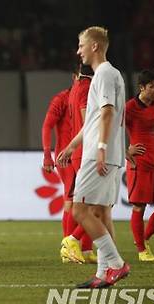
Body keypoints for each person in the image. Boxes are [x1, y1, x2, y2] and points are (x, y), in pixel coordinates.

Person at [58, 26, 130, 288]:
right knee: (100, 213)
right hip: (101, 151)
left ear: (95, 46)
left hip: (99, 154)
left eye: (81, 45)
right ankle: (103, 273)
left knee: (80, 210)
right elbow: (93, 121)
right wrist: (71, 146)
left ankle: (116, 264)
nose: (79, 51)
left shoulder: (105, 74)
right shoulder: (105, 75)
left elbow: (108, 112)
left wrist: (100, 147)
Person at [125, 69, 154, 262]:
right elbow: (112, 128)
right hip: (140, 164)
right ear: (142, 87)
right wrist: (126, 150)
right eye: (152, 86)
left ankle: (144, 238)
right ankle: (142, 250)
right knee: (139, 206)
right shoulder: (130, 108)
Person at [60, 63, 96, 264]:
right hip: (86, 152)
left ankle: (84, 248)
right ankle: (71, 243)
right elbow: (88, 122)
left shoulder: (74, 89)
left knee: (81, 202)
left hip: (79, 152)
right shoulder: (87, 88)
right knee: (95, 205)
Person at [40, 72, 73, 262]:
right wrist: (47, 154)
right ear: (74, 77)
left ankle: (83, 248)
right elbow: (47, 126)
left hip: (85, 157)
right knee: (72, 200)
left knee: (88, 203)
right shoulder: (62, 99)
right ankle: (68, 247)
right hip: (65, 158)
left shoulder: (91, 97)